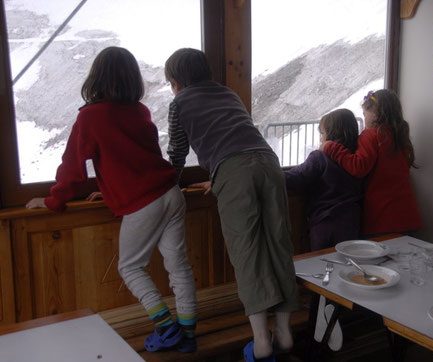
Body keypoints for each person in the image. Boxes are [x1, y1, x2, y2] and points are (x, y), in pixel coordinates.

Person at [25, 47, 197, 353]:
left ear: (96, 77)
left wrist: (52, 202)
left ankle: (166, 328)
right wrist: (108, 189)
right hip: (171, 192)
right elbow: (141, 159)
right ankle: (187, 332)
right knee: (178, 265)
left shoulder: (90, 117)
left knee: (130, 268)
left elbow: (73, 169)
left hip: (143, 203)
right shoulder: (140, 111)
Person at [165, 48, 298, 362]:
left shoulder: (179, 103)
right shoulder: (228, 93)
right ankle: (285, 332)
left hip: (233, 171)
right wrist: (220, 175)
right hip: (268, 162)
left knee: (247, 250)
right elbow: (238, 138)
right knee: (279, 243)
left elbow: (177, 155)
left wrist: (169, 184)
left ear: (177, 82)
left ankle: (262, 342)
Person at [321, 89, 422, 237]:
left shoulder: (372, 135)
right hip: (408, 216)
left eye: (364, 114)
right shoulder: (399, 135)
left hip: (383, 218)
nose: (364, 119)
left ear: (375, 113)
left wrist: (330, 147)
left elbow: (358, 167)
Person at [284, 108, 363, 251]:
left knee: (322, 265)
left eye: (323, 133)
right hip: (351, 222)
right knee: (348, 264)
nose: (321, 139)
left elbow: (298, 177)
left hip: (324, 222)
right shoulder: (358, 160)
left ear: (332, 133)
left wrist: (272, 174)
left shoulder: (320, 157)